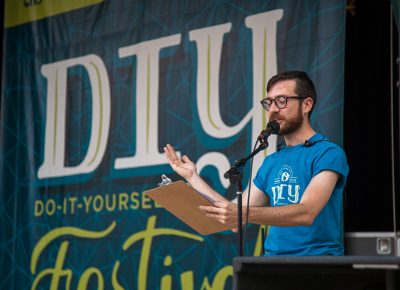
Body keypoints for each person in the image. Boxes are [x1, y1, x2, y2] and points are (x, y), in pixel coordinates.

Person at [164, 71, 349, 256]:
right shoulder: (272, 161)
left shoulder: (328, 153)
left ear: (306, 104)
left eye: (282, 100)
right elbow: (234, 218)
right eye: (269, 103)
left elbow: (307, 212)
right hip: (271, 266)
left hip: (316, 265)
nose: (273, 109)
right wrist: (192, 177)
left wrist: (242, 213)